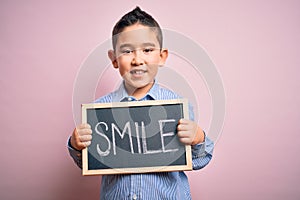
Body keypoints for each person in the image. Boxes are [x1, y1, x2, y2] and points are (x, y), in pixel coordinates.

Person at [68, 6, 214, 200]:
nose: (137, 60)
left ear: (161, 56)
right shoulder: (98, 111)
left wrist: (198, 138)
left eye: (147, 50)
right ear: (114, 60)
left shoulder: (177, 108)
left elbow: (198, 160)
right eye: (127, 51)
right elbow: (89, 161)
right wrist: (76, 144)